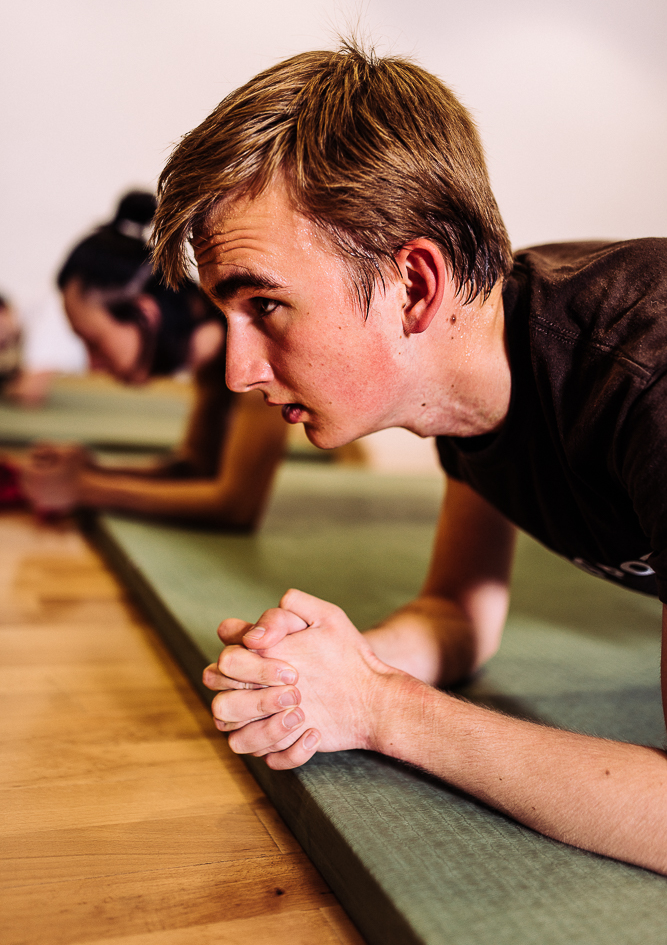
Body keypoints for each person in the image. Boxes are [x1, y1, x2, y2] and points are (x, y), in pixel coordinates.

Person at [150, 43, 667, 874]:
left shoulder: (645, 375)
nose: (237, 371)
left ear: (414, 287)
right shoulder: (479, 370)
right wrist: (324, 671)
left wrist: (381, 708)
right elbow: (458, 616)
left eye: (266, 304)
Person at [20, 191, 287, 527]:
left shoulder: (256, 347)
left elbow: (235, 506)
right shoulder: (213, 356)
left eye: (95, 343)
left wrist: (84, 488)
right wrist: (92, 472)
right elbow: (196, 468)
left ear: (144, 313)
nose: (92, 364)